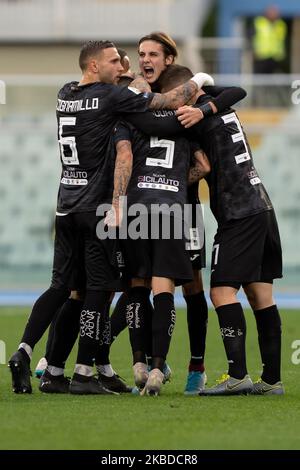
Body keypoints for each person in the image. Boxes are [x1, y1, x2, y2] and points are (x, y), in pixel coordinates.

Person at [8, 39, 212, 394]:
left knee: (65, 288)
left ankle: (39, 358)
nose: (121, 65)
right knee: (100, 291)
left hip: (65, 206)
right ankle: (86, 371)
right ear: (93, 66)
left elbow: (113, 88)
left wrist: (125, 74)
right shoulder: (113, 99)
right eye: (114, 61)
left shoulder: (65, 92)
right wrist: (202, 79)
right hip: (99, 209)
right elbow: (166, 103)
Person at [252, 5, 287, 74]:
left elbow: (281, 40)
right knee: (260, 77)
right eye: (271, 12)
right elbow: (251, 37)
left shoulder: (281, 24)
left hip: (276, 57)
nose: (273, 14)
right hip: (261, 56)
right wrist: (254, 50)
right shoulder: (259, 22)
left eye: (275, 12)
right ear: (266, 13)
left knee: (273, 78)